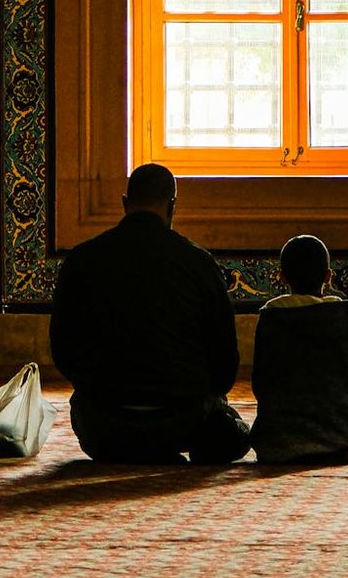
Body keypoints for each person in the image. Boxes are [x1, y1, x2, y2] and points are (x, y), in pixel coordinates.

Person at [49, 162, 250, 465]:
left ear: (125, 203)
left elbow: (62, 349)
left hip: (103, 425)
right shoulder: (197, 262)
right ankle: (165, 446)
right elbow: (225, 357)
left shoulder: (82, 259)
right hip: (182, 421)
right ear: (172, 206)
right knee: (232, 431)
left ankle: (132, 447)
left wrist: (99, 388)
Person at [248, 234, 348, 466]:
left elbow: (260, 382)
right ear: (328, 276)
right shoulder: (343, 316)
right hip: (343, 437)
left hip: (280, 443)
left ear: (282, 277)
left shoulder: (271, 318)